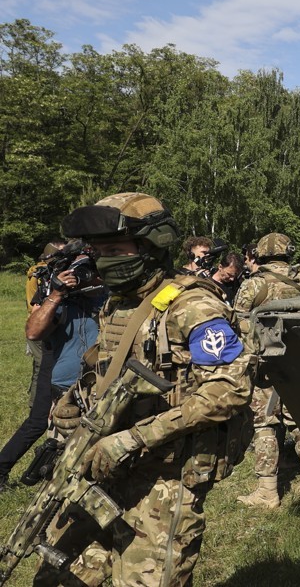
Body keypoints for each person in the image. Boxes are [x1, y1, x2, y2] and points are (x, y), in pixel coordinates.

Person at [33, 192, 253, 586]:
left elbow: (229, 389)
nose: (105, 260)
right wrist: (72, 404)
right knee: (56, 575)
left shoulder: (193, 307)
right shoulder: (117, 304)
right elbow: (107, 370)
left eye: (115, 249)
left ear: (152, 247)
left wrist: (132, 440)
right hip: (99, 469)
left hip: (161, 478)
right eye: (98, 251)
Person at [0, 249, 104, 493]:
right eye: (78, 269)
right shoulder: (56, 293)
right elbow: (33, 331)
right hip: (58, 368)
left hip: (98, 374)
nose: (83, 274)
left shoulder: (108, 292)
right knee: (39, 422)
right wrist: (57, 293)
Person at [234, 233, 300, 508]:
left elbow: (238, 326)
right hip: (299, 364)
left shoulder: (253, 285)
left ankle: (267, 492)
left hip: (264, 367)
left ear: (260, 255)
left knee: (264, 425)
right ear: (288, 253)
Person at [24, 240, 65, 411]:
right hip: (40, 321)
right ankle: (37, 404)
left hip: (45, 321)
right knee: (42, 365)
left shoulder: (42, 272)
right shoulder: (40, 274)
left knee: (40, 365)